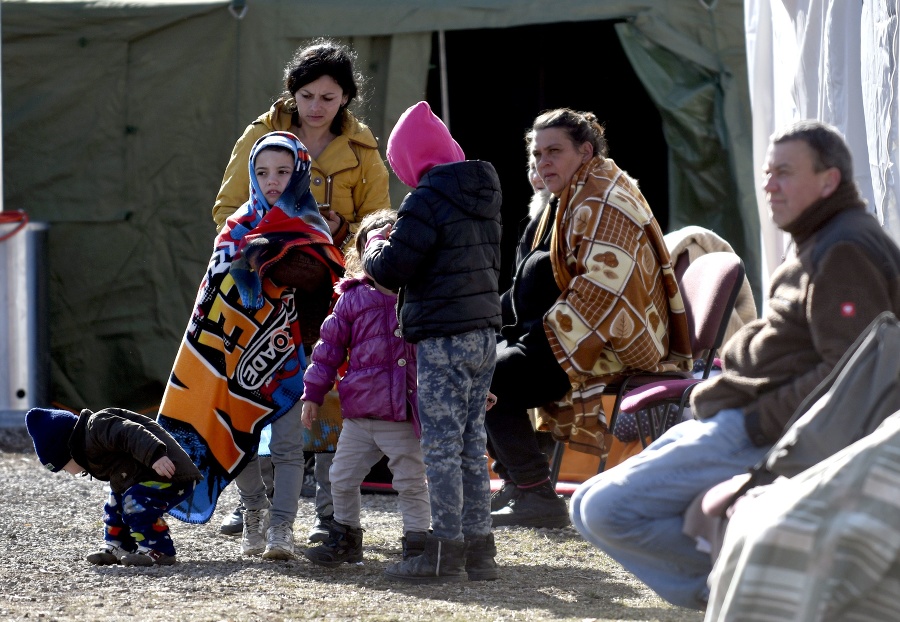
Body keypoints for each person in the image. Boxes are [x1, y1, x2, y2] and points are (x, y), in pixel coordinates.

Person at [569, 119, 900, 610]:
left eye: (785, 172)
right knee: (582, 503)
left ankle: (746, 589)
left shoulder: (845, 248)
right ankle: (747, 584)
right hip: (734, 410)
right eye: (767, 172)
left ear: (828, 180)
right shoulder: (824, 236)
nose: (769, 184)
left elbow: (851, 373)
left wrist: (759, 420)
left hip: (757, 427)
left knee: (604, 510)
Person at [211, 38, 392, 544]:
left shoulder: (362, 150)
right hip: (261, 282)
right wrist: (280, 231)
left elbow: (379, 224)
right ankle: (259, 502)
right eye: (307, 95)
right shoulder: (262, 134)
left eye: (328, 98)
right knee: (258, 386)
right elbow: (227, 209)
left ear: (345, 100)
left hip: (332, 289)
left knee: (330, 391)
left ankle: (329, 514)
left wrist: (337, 227)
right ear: (293, 92)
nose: (316, 107)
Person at [486, 108, 692, 529]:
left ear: (585, 150)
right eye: (537, 153)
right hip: (565, 332)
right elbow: (536, 275)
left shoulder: (603, 198)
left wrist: (531, 346)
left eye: (554, 151)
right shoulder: (570, 196)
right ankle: (519, 485)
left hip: (610, 343)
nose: (543, 162)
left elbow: (602, 291)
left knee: (486, 374)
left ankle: (534, 494)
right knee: (475, 358)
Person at [158, 131, 344, 561]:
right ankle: (254, 511)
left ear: (301, 172)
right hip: (235, 354)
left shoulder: (312, 227)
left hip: (293, 355)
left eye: (282, 171)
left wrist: (280, 264)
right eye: (262, 173)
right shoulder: (235, 229)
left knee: (287, 446)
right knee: (239, 439)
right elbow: (211, 299)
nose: (272, 181)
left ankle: (282, 528)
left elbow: (327, 289)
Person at [363, 101, 502, 582]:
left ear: (411, 160)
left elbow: (392, 269)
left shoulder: (425, 200)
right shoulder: (482, 194)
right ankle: (479, 549)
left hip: (443, 336)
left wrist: (375, 246)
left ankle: (443, 552)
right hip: (485, 332)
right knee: (470, 444)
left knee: (441, 448)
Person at [299, 209, 431, 567]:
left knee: (411, 480)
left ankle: (418, 542)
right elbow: (327, 350)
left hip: (402, 413)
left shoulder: (420, 295)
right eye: (375, 244)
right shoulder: (353, 298)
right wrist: (312, 394)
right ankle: (345, 538)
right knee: (341, 478)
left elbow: (443, 348)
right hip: (359, 415)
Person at [25, 407, 202, 566]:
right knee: (114, 502)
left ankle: (159, 550)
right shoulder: (86, 447)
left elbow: (131, 433)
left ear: (67, 450)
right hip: (142, 477)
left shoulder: (97, 426)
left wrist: (155, 455)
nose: (68, 472)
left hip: (168, 472)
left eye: (63, 467)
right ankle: (120, 546)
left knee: (137, 502)